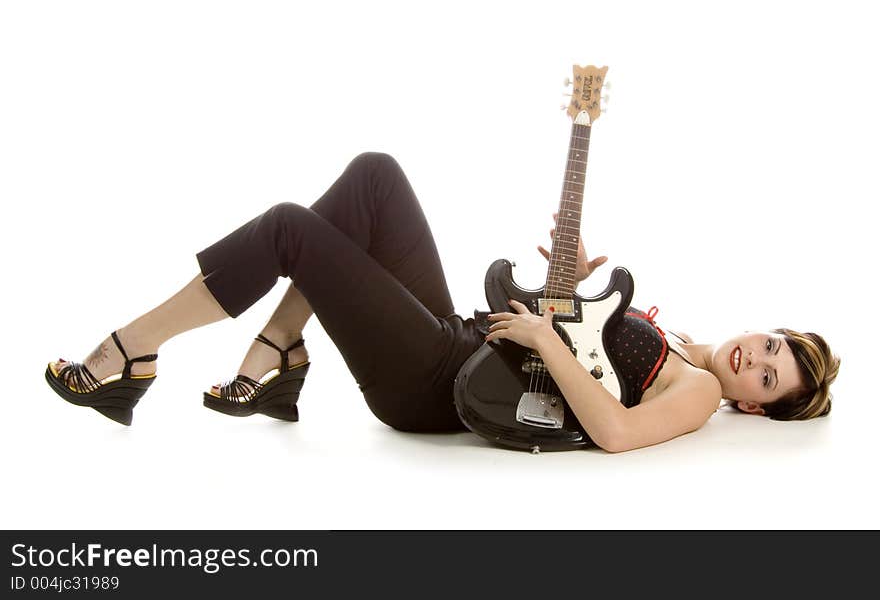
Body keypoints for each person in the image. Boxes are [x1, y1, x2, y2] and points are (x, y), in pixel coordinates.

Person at [44, 152, 840, 452]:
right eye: (770, 344)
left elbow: (616, 425)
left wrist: (547, 335)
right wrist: (567, 291)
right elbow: (581, 356)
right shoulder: (683, 336)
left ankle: (131, 353)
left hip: (441, 390)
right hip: (461, 337)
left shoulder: (697, 392)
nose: (756, 360)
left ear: (758, 409)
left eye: (769, 379)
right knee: (375, 177)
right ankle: (281, 354)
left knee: (292, 228)